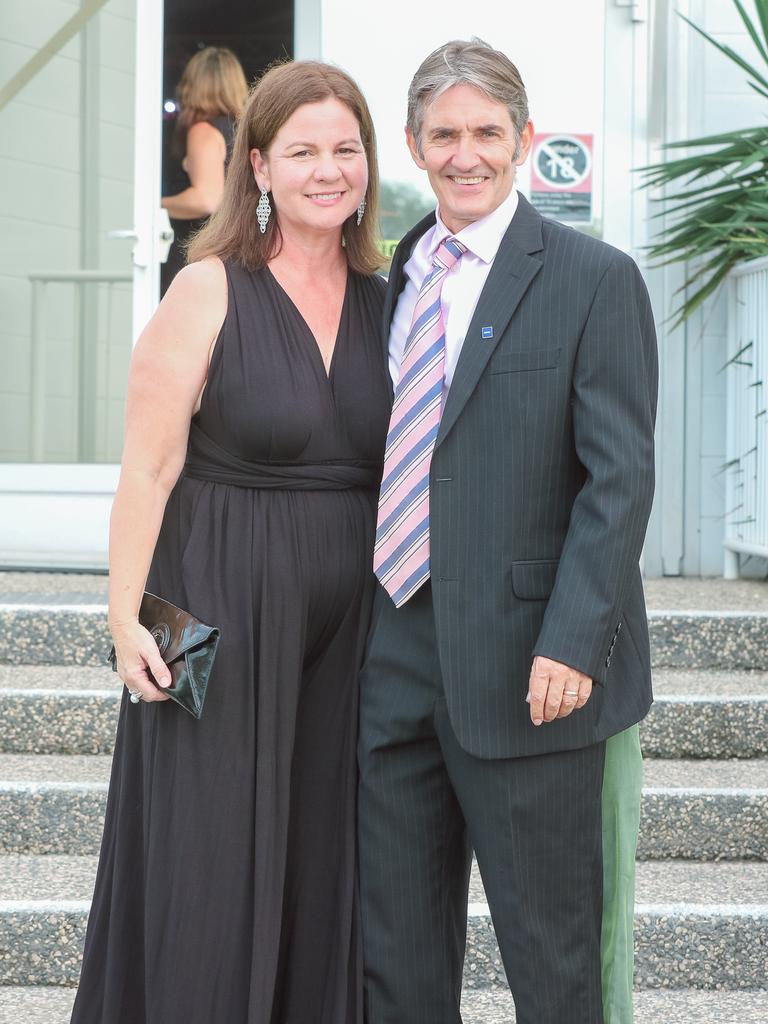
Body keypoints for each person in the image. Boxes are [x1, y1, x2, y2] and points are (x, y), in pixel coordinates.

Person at [70, 60, 390, 1024]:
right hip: (209, 604)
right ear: (258, 166)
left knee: (325, 849)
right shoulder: (206, 288)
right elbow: (149, 470)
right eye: (302, 151)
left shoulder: (393, 299)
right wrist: (127, 617)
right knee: (204, 848)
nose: (327, 170)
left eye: (346, 149)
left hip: (351, 627)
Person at [358, 38, 658, 1024]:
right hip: (395, 653)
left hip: (534, 667)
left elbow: (619, 478)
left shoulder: (591, 277)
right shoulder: (392, 279)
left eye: (486, 131)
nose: (465, 154)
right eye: (444, 134)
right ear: (413, 144)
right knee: (395, 958)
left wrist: (575, 638)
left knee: (551, 960)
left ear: (524, 140)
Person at [160, 46, 248, 295]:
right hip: (234, 252)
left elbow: (206, 200)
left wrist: (152, 206)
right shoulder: (242, 132)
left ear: (193, 85)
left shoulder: (203, 131)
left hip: (202, 251)